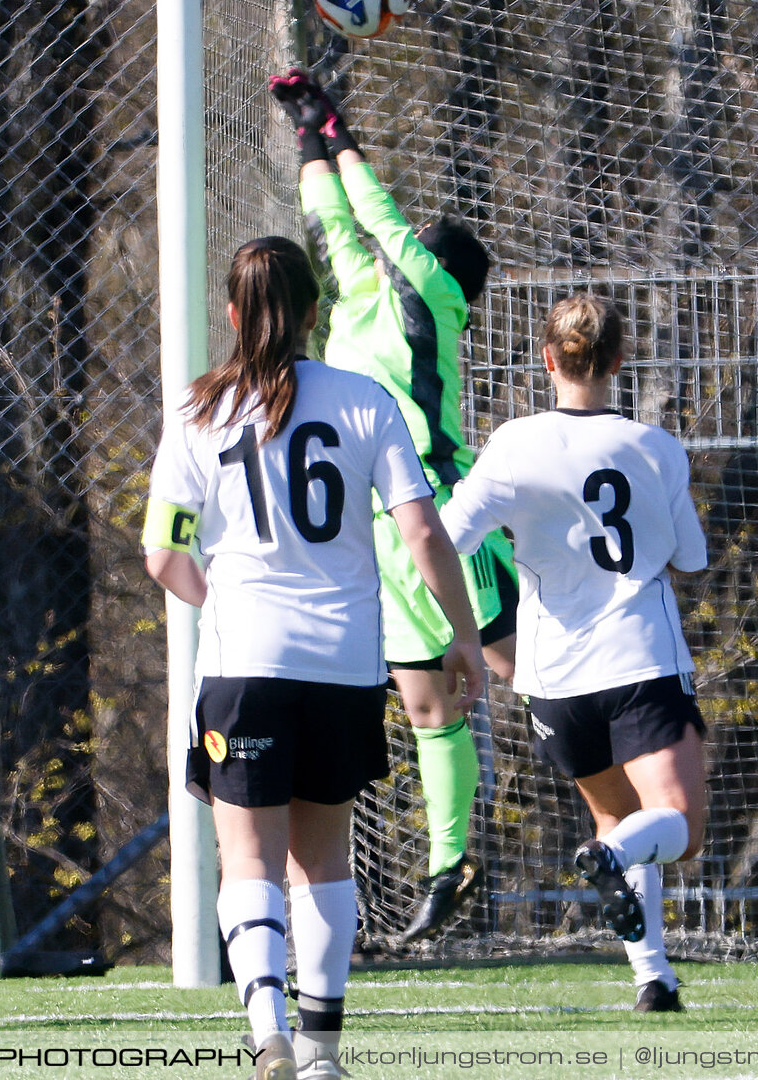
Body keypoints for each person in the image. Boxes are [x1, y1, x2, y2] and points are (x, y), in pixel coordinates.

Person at [145, 237, 486, 1080]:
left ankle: (269, 1033)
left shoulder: (197, 412)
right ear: (313, 312)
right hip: (340, 667)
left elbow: (161, 554)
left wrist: (221, 597)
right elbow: (423, 532)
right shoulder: (367, 400)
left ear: (231, 314)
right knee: (323, 857)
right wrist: (463, 633)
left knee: (249, 858)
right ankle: (324, 1051)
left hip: (244, 666)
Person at [269, 68, 518, 945]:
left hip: (444, 521)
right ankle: (450, 863)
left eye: (414, 245)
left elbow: (378, 219)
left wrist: (337, 129)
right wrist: (307, 137)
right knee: (429, 708)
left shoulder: (433, 299)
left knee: (530, 675)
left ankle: (629, 798)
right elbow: (336, 224)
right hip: (379, 532)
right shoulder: (361, 303)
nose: (390, 248)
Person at [441, 294, 708, 1013]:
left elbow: (443, 538)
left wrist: (461, 626)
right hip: (639, 660)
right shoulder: (654, 445)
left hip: (554, 676)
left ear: (548, 358)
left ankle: (654, 977)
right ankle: (615, 867)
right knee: (677, 829)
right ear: (619, 360)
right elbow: (690, 556)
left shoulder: (513, 445)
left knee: (616, 817)